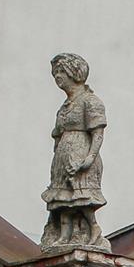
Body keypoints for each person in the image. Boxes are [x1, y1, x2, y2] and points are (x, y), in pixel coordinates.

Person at [40, 53, 109, 252]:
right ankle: (64, 235)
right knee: (62, 199)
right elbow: (57, 134)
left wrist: (89, 158)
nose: (57, 76)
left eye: (62, 71)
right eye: (55, 72)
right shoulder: (64, 107)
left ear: (74, 73)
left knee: (81, 198)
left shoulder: (90, 101)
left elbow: (97, 133)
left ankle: (93, 229)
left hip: (81, 154)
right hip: (63, 158)